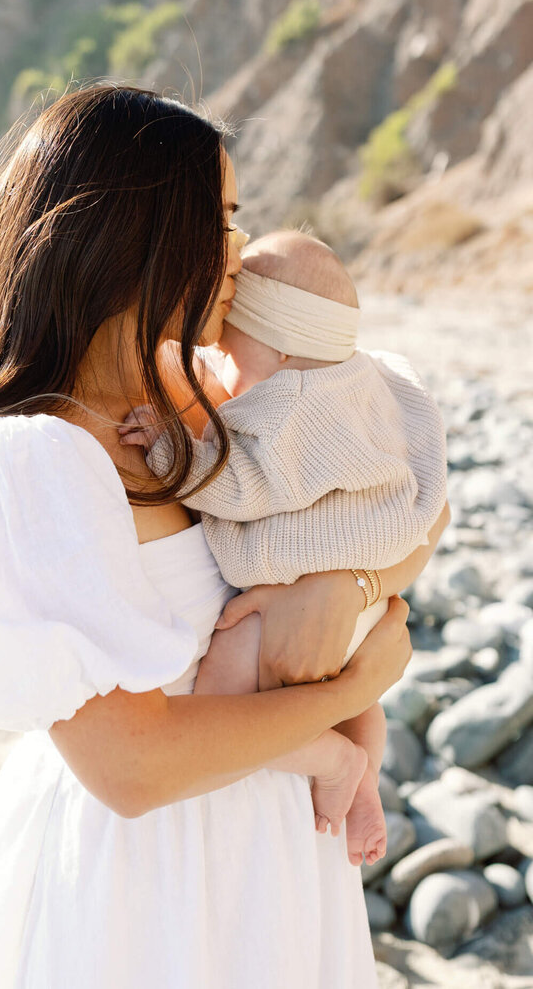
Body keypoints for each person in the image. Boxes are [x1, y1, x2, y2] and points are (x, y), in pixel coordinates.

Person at [0, 84, 446, 989]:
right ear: (137, 235)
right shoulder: (28, 457)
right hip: (138, 880)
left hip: (271, 853)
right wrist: (354, 690)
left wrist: (347, 590)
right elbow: (131, 766)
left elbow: (407, 511)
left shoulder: (188, 417)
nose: (240, 257)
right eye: (223, 220)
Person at [119, 228, 449, 867]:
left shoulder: (288, 408)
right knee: (363, 701)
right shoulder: (363, 383)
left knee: (218, 703)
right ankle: (364, 786)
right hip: (364, 606)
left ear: (276, 350)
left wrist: (166, 447)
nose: (218, 364)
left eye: (231, 352)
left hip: (291, 611)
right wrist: (364, 587)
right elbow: (433, 494)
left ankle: (333, 763)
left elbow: (237, 485)